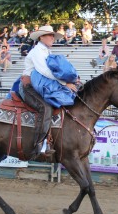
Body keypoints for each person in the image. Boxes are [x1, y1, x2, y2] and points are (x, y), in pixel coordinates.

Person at [19, 25, 77, 158]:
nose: (52, 38)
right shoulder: (37, 51)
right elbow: (44, 71)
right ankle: (38, 145)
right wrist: (64, 83)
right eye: (50, 35)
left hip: (42, 86)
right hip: (30, 87)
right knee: (45, 108)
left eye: (53, 36)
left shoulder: (47, 51)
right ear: (41, 37)